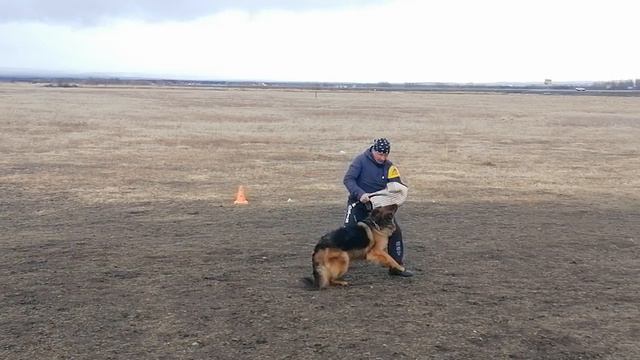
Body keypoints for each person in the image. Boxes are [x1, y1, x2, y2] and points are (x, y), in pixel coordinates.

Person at [342, 138, 414, 277]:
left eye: (385, 155)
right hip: (359, 204)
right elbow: (348, 179)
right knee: (348, 232)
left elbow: (396, 184)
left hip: (378, 209)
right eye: (380, 154)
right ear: (373, 150)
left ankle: (397, 266)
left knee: (395, 232)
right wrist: (360, 194)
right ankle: (340, 261)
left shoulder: (389, 167)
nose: (382, 158)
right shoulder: (360, 161)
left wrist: (397, 192)